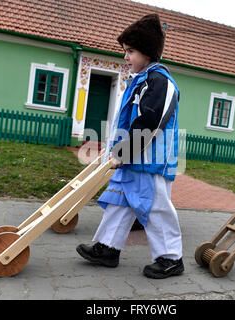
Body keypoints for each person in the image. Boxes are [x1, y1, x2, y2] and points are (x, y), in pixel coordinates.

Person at [76, 14, 184, 279]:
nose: (126, 57)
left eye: (131, 51)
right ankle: (108, 248)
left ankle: (171, 258)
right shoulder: (139, 80)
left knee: (155, 206)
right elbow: (127, 119)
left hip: (151, 161)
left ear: (148, 51)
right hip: (131, 156)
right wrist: (115, 149)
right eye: (125, 51)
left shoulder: (161, 82)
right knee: (120, 201)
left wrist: (123, 152)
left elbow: (150, 120)